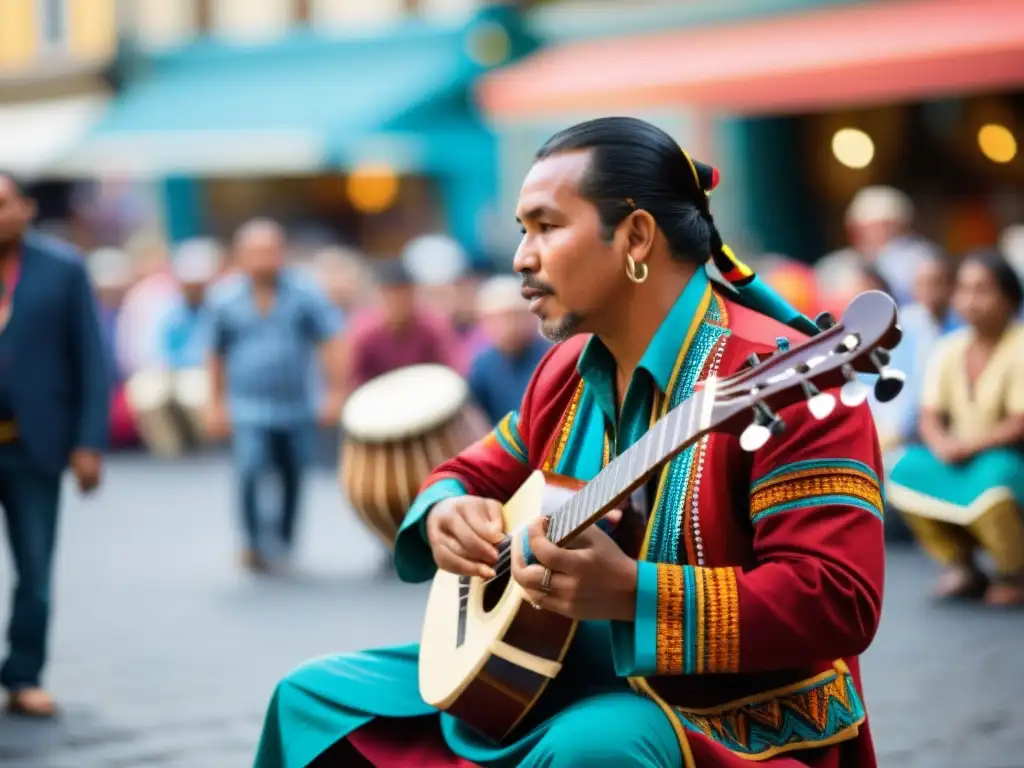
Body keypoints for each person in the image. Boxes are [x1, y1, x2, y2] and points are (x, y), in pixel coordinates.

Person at [254, 118, 886, 767]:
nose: (521, 257)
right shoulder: (567, 369)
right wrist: (446, 509)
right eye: (523, 230)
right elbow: (470, 471)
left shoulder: (789, 382)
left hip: (721, 724)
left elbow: (839, 600)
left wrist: (632, 593)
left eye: (545, 227)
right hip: (544, 681)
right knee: (310, 700)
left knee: (595, 750)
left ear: (636, 236)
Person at [0, 173, 109, 717]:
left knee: (35, 569)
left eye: (2, 204)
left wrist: (89, 442)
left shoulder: (62, 268)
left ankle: (23, 674)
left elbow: (93, 359)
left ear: (24, 207)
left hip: (34, 446)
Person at [205, 219, 345, 573]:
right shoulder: (224, 299)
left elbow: (331, 341)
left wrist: (334, 391)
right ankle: (252, 542)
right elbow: (214, 354)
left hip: (296, 404)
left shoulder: (305, 293)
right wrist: (215, 403)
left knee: (294, 473)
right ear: (240, 255)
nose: (263, 259)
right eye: (255, 251)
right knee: (250, 469)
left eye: (270, 250)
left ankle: (283, 541)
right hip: (248, 406)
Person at [888, 249, 1024, 606]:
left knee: (996, 482)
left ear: (1009, 298)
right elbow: (929, 415)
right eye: (964, 290)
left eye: (983, 290)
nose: (970, 300)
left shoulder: (1020, 344)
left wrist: (966, 445)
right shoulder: (950, 347)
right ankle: (962, 566)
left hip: (1007, 458)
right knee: (905, 471)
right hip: (960, 454)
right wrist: (942, 443)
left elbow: (1019, 423)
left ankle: (1014, 572)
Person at [345, 258, 462, 391]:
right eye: (391, 295)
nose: (397, 302)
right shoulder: (364, 333)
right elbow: (352, 379)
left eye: (403, 294)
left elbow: (453, 371)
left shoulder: (433, 328)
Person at [466, 274, 549, 425]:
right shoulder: (483, 366)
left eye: (514, 316)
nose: (506, 326)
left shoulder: (551, 357)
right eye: (496, 318)